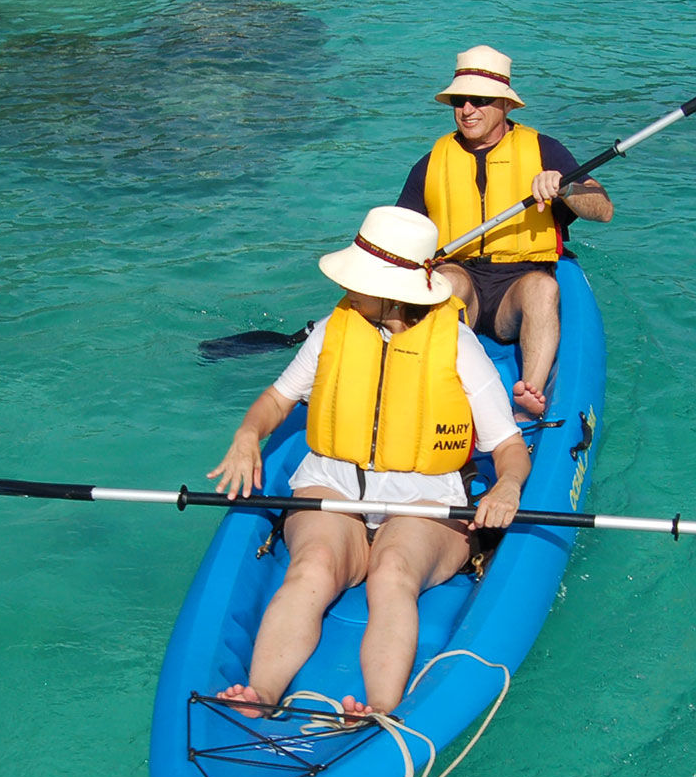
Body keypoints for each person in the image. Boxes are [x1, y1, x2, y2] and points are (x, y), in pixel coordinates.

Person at [207, 206, 531, 721]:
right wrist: (248, 433)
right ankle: (262, 693)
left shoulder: (457, 346)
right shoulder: (336, 328)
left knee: (392, 573)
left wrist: (507, 488)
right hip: (332, 486)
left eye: (360, 278)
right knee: (312, 566)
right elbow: (275, 401)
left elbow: (510, 448)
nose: (346, 287)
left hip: (425, 501)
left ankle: (380, 706)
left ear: (395, 289)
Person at [395, 44, 613, 418]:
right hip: (464, 277)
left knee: (544, 288)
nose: (467, 110)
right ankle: (440, 391)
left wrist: (565, 188)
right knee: (447, 281)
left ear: (506, 105)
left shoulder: (545, 150)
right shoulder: (431, 164)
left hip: (519, 282)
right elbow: (399, 236)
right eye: (459, 100)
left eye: (480, 100)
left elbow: (603, 209)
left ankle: (529, 401)